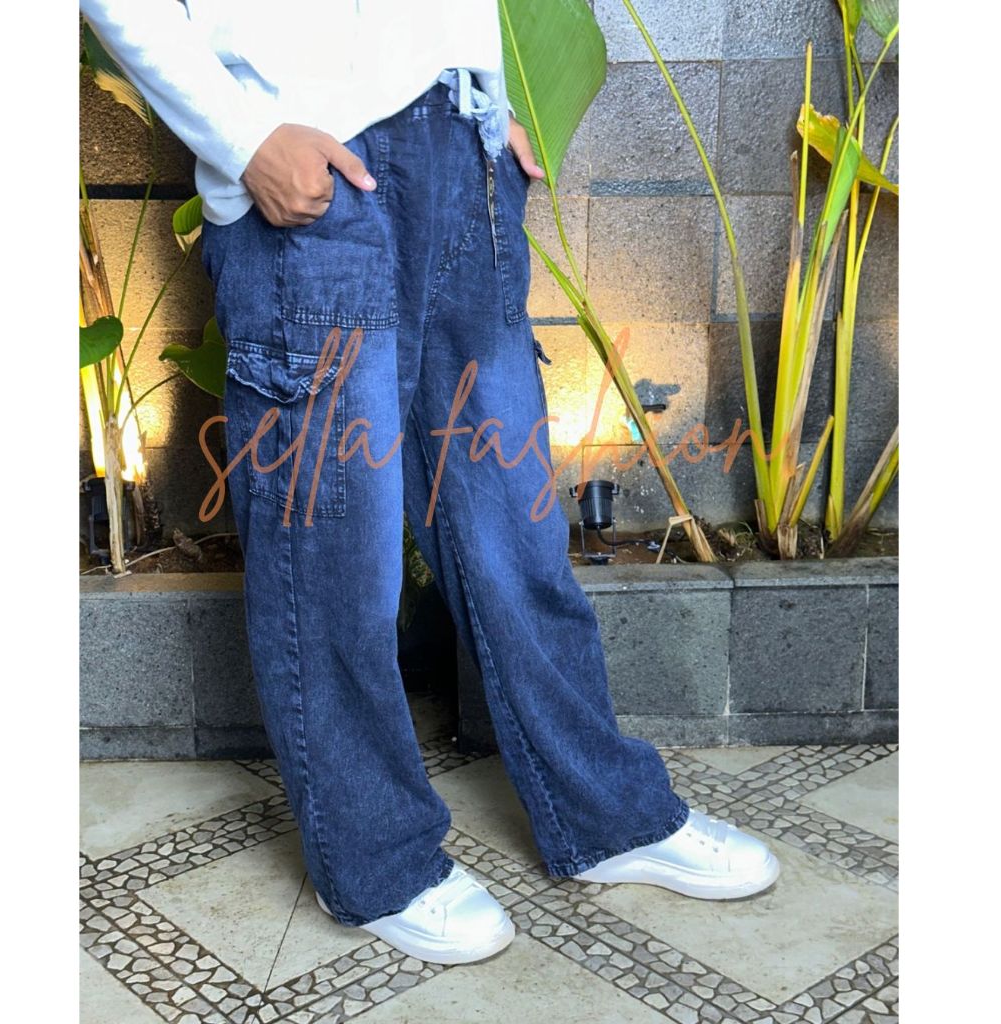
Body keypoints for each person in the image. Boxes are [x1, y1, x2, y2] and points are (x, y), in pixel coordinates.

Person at [80, 0, 780, 966]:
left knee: (517, 539)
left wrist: (484, 99)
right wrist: (244, 140)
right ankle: (378, 865)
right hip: (322, 173)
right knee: (336, 561)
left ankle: (607, 816)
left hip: (464, 157)